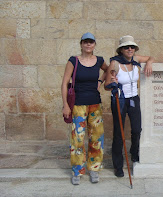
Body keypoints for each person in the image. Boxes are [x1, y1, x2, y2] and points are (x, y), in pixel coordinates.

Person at [61, 32, 108, 185]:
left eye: (91, 42)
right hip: (78, 105)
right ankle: (77, 171)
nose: (88, 44)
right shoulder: (73, 61)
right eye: (85, 42)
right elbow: (64, 83)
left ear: (95, 44)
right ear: (81, 44)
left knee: (96, 138)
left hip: (95, 103)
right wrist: (66, 105)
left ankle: (94, 169)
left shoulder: (99, 60)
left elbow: (109, 69)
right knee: (77, 139)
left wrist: (100, 81)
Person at [105, 35, 154, 177]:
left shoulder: (136, 60)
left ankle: (134, 153)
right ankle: (118, 165)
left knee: (137, 129)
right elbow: (106, 86)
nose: (130, 49)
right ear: (121, 50)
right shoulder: (114, 63)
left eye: (132, 47)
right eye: (126, 47)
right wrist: (113, 83)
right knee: (119, 133)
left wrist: (149, 64)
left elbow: (151, 57)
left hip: (134, 98)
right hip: (119, 99)